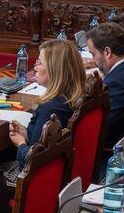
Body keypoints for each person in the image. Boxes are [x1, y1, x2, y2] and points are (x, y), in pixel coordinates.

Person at [8, 39, 84, 167]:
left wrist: (20, 142)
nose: (35, 67)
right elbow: (44, 142)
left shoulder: (50, 109)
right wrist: (26, 132)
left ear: (55, 70)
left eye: (40, 63)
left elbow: (31, 162)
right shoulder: (71, 97)